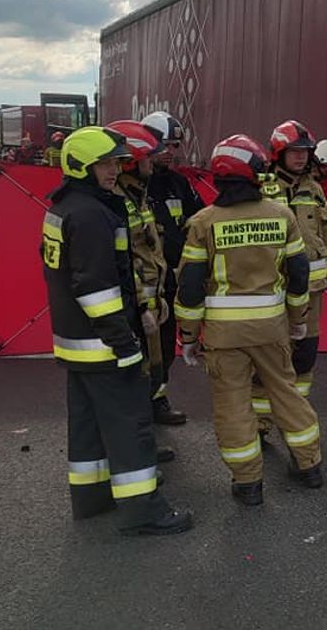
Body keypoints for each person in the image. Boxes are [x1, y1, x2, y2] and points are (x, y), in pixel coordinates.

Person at [42, 126, 192, 535]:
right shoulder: (92, 216)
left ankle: (91, 498)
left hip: (77, 343)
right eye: (105, 163)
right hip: (104, 344)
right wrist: (124, 343)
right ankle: (144, 511)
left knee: (88, 425)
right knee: (131, 426)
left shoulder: (66, 207)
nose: (114, 170)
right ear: (82, 167)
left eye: (115, 162)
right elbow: (96, 289)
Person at [175, 134, 322, 505]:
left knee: (232, 405)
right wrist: (298, 318)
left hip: (224, 339)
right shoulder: (281, 215)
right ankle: (309, 466)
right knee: (287, 393)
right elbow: (299, 273)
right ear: (255, 174)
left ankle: (248, 484)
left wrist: (189, 337)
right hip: (272, 330)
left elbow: (190, 287)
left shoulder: (202, 223)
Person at [255, 120, 327, 419]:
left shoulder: (315, 189)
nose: (301, 157)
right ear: (278, 153)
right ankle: (263, 419)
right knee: (270, 354)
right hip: (272, 288)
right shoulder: (260, 189)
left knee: (305, 355)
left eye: (305, 151)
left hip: (311, 291)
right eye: (294, 151)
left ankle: (297, 411)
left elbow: (326, 233)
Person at [106, 120, 176, 465]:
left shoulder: (136, 195)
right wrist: (142, 304)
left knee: (150, 375)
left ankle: (142, 444)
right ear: (133, 161)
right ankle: (136, 454)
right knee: (134, 382)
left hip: (149, 300)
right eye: (149, 156)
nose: (155, 161)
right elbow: (123, 261)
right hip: (135, 307)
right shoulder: (118, 202)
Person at [141, 110, 204, 425]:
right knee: (141, 350)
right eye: (164, 144)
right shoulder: (135, 184)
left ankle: (157, 401)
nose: (170, 152)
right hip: (142, 286)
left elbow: (202, 217)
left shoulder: (180, 184)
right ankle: (138, 409)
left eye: (175, 146)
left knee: (165, 347)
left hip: (171, 282)